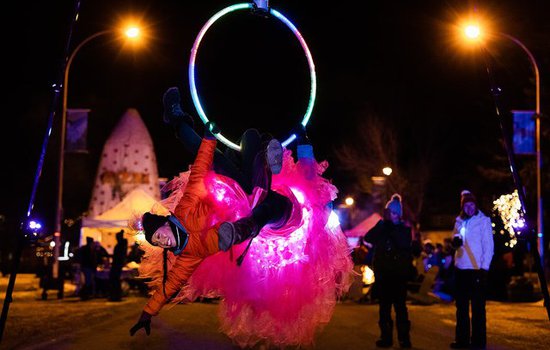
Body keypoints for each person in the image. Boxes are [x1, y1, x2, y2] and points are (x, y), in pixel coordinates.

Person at [129, 105, 292, 336]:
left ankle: (178, 120)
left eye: (158, 236)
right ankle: (265, 155)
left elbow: (197, 174)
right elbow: (169, 287)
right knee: (253, 147)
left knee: (240, 144)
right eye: (158, 243)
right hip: (247, 214)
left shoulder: (183, 211)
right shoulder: (186, 257)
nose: (162, 242)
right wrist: (147, 313)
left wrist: (208, 138)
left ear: (165, 224)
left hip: (233, 188)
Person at [363, 194, 413, 348]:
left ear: (397, 214)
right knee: (384, 308)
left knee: (400, 308)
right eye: (388, 212)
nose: (390, 215)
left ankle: (404, 339)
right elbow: (368, 238)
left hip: (398, 275)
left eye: (392, 212)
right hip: (383, 274)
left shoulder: (404, 229)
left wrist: (391, 228)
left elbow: (404, 244)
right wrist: (381, 225)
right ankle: (386, 338)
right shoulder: (383, 226)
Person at [450, 190, 494, 349]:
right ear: (462, 207)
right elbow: (455, 240)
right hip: (460, 269)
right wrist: (454, 244)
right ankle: (462, 340)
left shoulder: (483, 221)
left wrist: (484, 269)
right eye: (466, 205)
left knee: (477, 309)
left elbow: (488, 247)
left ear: (475, 205)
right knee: (461, 308)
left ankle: (478, 342)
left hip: (476, 270)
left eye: (471, 204)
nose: (469, 207)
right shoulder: (459, 221)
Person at [108, 230, 128, 301]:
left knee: (115, 281)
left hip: (116, 265)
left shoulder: (120, 246)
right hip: (117, 265)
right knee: (115, 281)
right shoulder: (121, 245)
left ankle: (115, 296)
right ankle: (116, 296)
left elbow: (117, 256)